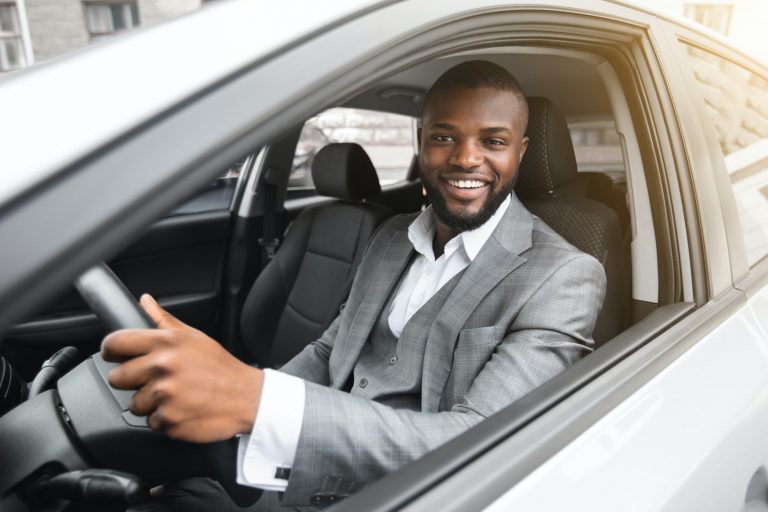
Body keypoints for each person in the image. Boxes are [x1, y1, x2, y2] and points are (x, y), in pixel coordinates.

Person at [106, 60, 606, 511]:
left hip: (411, 493)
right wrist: (241, 411)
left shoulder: (562, 276)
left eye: (492, 142)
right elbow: (330, 350)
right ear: (421, 142)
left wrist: (254, 398)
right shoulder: (391, 235)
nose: (465, 158)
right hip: (298, 465)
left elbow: (478, 442)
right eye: (444, 136)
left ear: (520, 152)